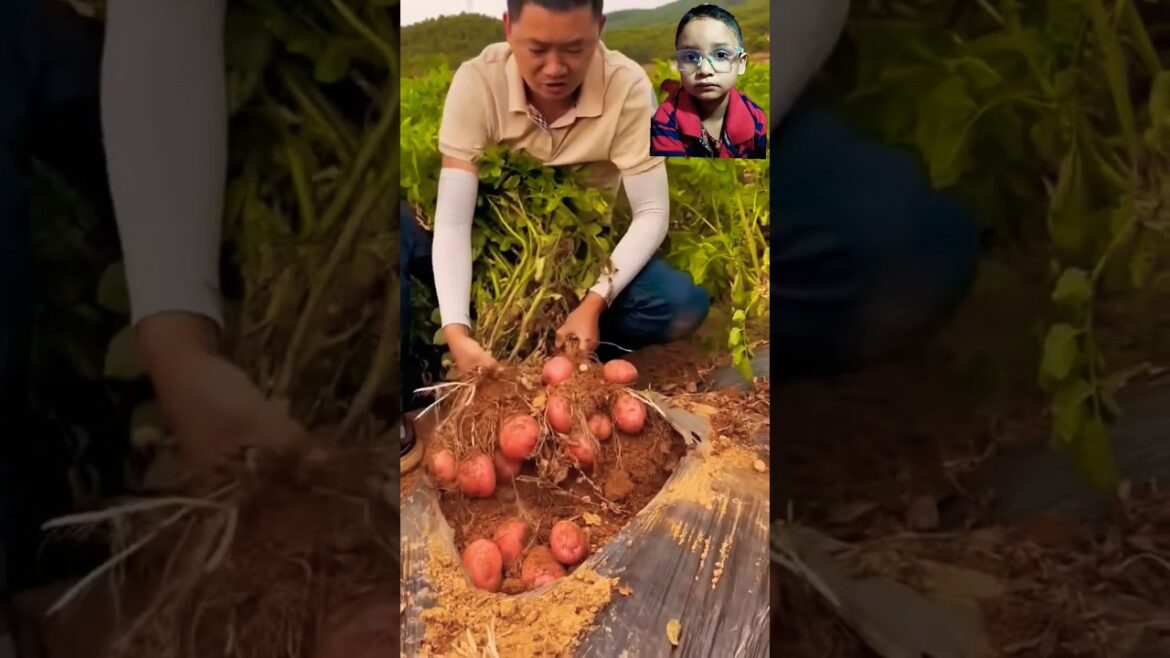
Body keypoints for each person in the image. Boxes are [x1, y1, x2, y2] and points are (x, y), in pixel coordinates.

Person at [400, 0, 713, 450]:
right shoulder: (478, 81)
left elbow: (651, 214)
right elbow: (453, 220)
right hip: (485, 256)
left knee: (680, 303)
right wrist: (454, 327)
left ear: (600, 29)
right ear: (508, 29)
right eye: (537, 49)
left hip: (578, 263)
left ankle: (566, 343)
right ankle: (440, 358)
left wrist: (592, 304)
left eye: (574, 49)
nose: (554, 68)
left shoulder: (626, 86)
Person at [650, 3, 767, 159]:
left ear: (741, 63)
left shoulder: (756, 118)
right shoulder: (666, 119)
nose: (704, 70)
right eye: (690, 57)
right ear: (678, 64)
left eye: (720, 55)